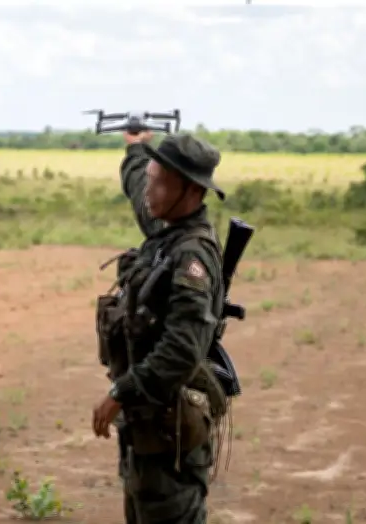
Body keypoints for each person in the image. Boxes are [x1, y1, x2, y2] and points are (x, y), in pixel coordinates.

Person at [92, 130, 228, 524]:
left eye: (158, 182)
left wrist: (121, 391)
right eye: (148, 177)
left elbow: (183, 348)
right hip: (147, 431)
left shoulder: (191, 258)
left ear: (189, 190)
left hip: (170, 437)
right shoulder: (166, 235)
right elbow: (140, 190)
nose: (148, 190)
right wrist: (135, 148)